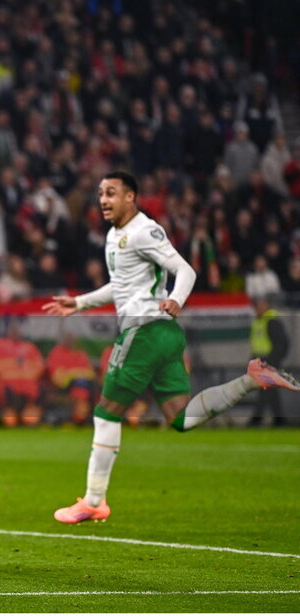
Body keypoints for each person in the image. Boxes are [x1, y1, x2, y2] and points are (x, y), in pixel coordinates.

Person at [43, 171, 299, 524]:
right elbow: (120, 286)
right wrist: (80, 303)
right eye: (101, 193)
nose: (104, 200)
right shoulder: (115, 235)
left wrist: (176, 299)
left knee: (105, 412)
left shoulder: (143, 230)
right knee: (180, 418)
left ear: (131, 197)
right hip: (162, 334)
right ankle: (250, 380)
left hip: (144, 330)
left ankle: (93, 500)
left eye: (112, 193)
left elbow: (186, 270)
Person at [0, 321, 45, 427]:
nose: (15, 332)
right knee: (5, 392)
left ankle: (29, 417)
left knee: (41, 390)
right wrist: (8, 367)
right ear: (7, 331)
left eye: (17, 329)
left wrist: (27, 372)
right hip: (4, 382)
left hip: (28, 382)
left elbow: (39, 366)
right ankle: (9, 417)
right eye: (12, 329)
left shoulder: (29, 347)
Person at [249, 296, 290, 426]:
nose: (257, 309)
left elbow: (282, 344)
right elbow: (257, 344)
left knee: (266, 391)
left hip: (268, 361)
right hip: (261, 361)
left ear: (266, 306)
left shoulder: (271, 321)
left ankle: (257, 419)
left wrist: (273, 361)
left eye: (259, 305)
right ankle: (279, 420)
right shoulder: (260, 321)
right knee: (269, 391)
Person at [46, 332, 97, 425]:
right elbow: (58, 379)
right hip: (66, 388)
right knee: (78, 383)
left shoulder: (81, 354)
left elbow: (91, 373)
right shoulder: (57, 353)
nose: (70, 341)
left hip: (84, 387)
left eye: (72, 338)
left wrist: (72, 373)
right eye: (68, 338)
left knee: (89, 384)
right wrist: (77, 373)